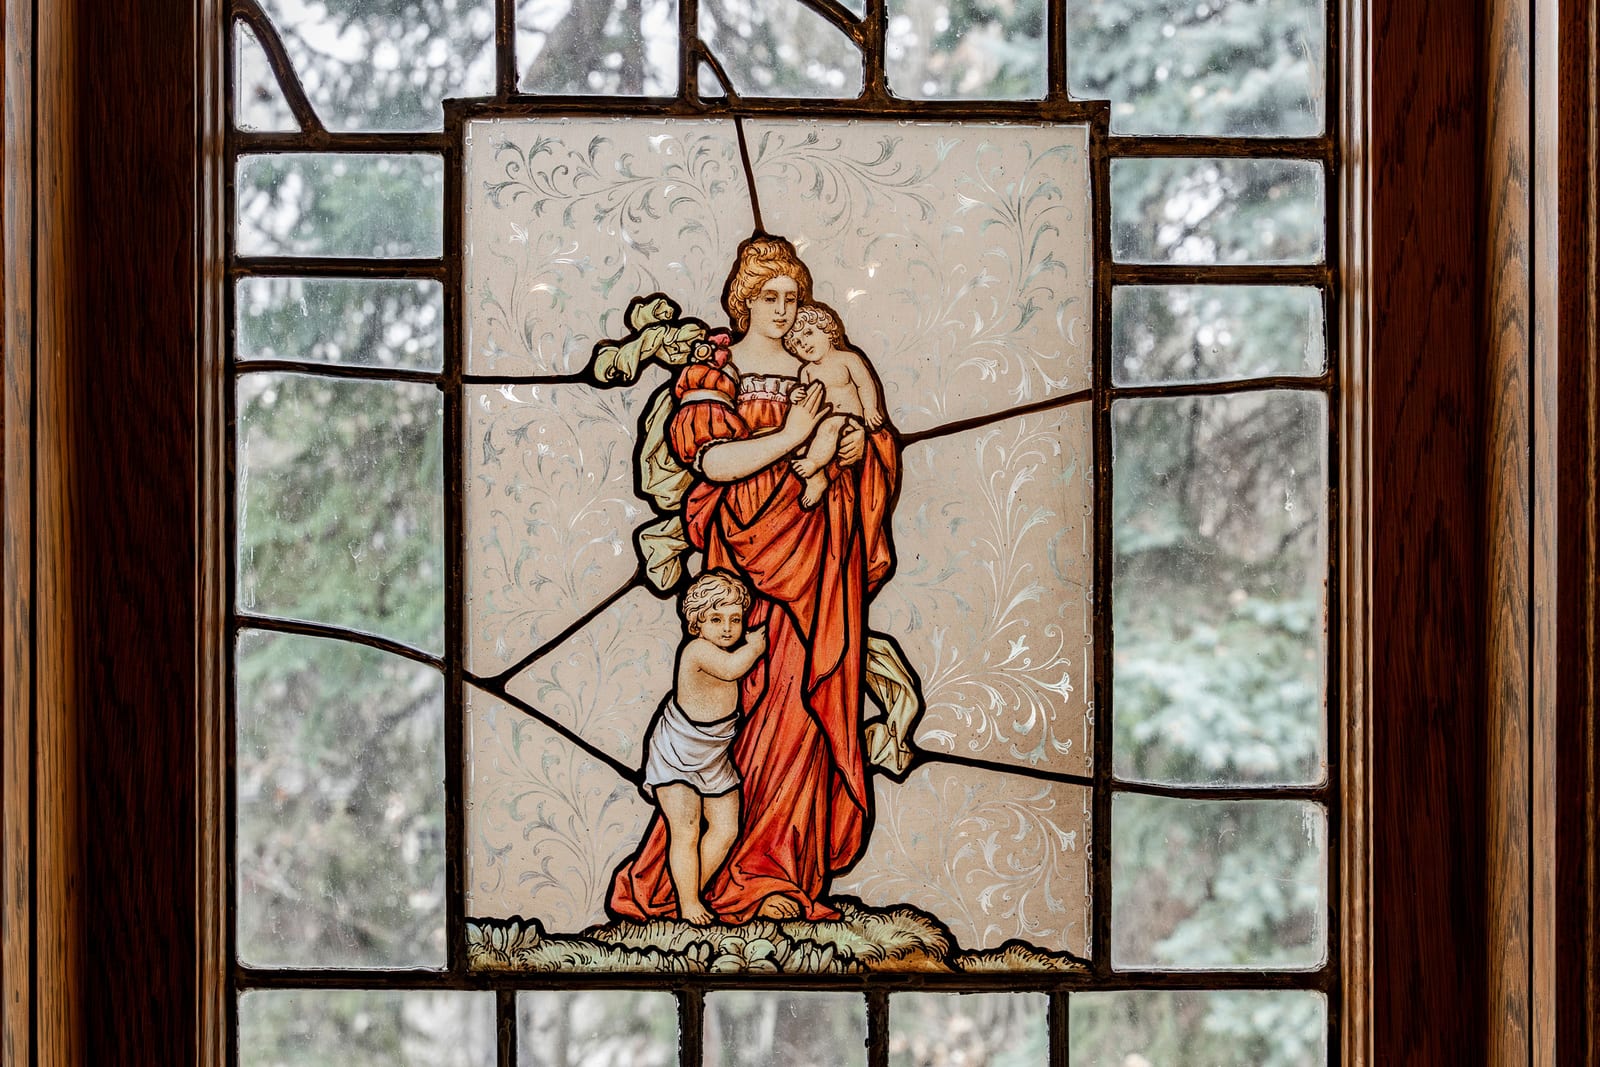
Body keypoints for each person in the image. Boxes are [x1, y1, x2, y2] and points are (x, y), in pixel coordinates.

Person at [608, 234, 900, 924]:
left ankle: (779, 874)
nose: (782, 308)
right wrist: (795, 435)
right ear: (743, 300)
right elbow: (712, 463)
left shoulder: (819, 367)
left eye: (792, 298)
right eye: (769, 296)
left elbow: (870, 437)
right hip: (743, 570)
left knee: (802, 710)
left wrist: (858, 447)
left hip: (820, 563)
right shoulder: (717, 368)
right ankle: (699, 884)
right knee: (740, 710)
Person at [640, 570, 765, 925]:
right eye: (716, 619)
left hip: (713, 754)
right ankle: (688, 904)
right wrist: (755, 647)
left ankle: (686, 893)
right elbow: (731, 668)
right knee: (686, 829)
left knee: (726, 829)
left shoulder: (720, 646)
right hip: (677, 752)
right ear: (696, 622)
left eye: (735, 619)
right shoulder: (697, 651)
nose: (727, 628)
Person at [783, 301, 886, 508]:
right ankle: (816, 480)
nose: (804, 344)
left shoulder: (847, 359)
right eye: (797, 343)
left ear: (828, 330)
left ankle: (814, 463)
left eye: (808, 333)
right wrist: (796, 394)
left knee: (830, 428)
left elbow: (865, 383)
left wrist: (870, 409)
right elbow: (806, 399)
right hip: (823, 424)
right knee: (801, 445)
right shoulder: (807, 371)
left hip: (848, 421)